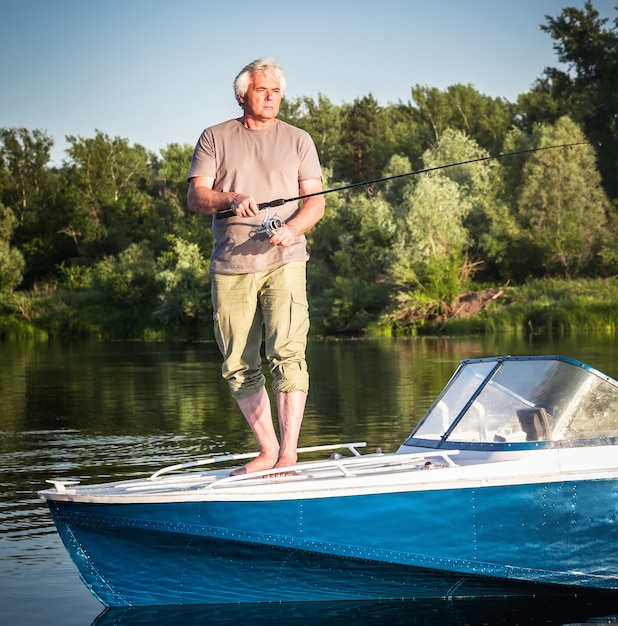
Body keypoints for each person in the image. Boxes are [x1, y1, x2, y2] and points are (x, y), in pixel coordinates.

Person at [187, 58, 325, 476]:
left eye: (277, 91)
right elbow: (196, 197)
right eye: (263, 90)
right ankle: (267, 450)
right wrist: (229, 199)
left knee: (288, 352)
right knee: (237, 363)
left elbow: (315, 202)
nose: (271, 97)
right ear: (243, 93)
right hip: (231, 264)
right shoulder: (215, 137)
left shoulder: (299, 139)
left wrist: (293, 229)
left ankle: (288, 455)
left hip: (285, 259)